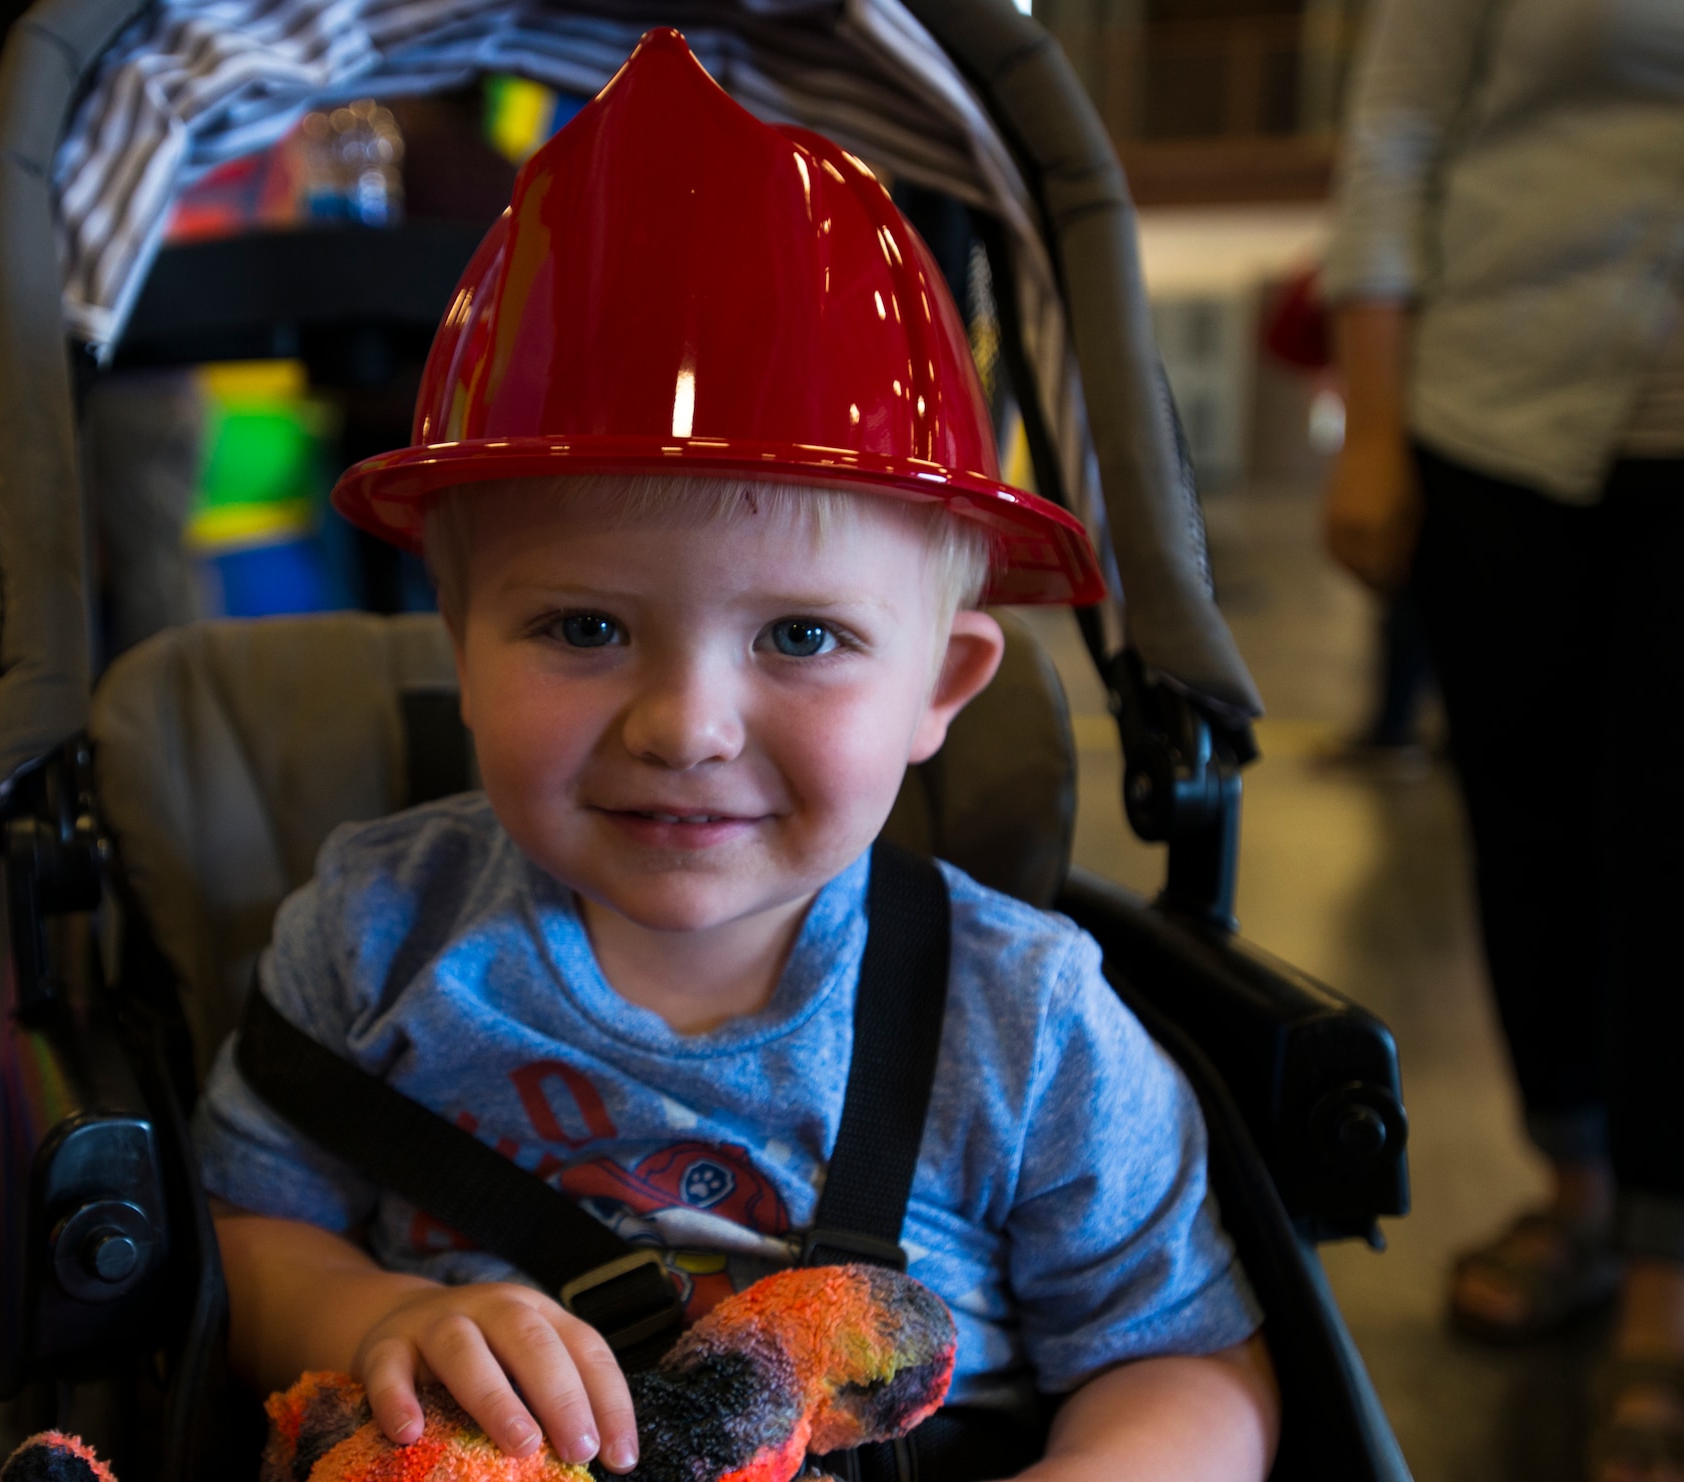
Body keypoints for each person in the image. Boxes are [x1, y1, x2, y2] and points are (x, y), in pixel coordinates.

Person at [194, 31, 1278, 1482]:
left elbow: (1188, 1360)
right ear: (455, 644)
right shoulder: (377, 934)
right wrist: (376, 1309)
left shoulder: (1029, 1030)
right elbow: (247, 1221)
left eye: (805, 639)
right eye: (582, 625)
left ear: (939, 687)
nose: (684, 724)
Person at [1321, 0, 1684, 1471]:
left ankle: (1667, 1265)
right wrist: (1376, 426)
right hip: (1501, 408)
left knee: (1673, 844)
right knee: (1525, 828)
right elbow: (1396, 134)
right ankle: (1578, 1178)